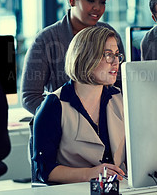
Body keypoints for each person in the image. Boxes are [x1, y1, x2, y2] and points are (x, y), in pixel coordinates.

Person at [21, 0, 124, 115]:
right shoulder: (46, 40)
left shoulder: (109, 35)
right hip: (61, 132)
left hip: (104, 127)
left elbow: (121, 86)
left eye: (102, 2)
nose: (98, 8)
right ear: (72, 0)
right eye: (90, 0)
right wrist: (66, 118)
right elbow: (29, 97)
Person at [32, 26, 127, 184]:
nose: (116, 62)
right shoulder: (54, 105)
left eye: (117, 55)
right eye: (108, 55)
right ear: (87, 57)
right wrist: (91, 173)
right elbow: (44, 171)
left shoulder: (120, 98)